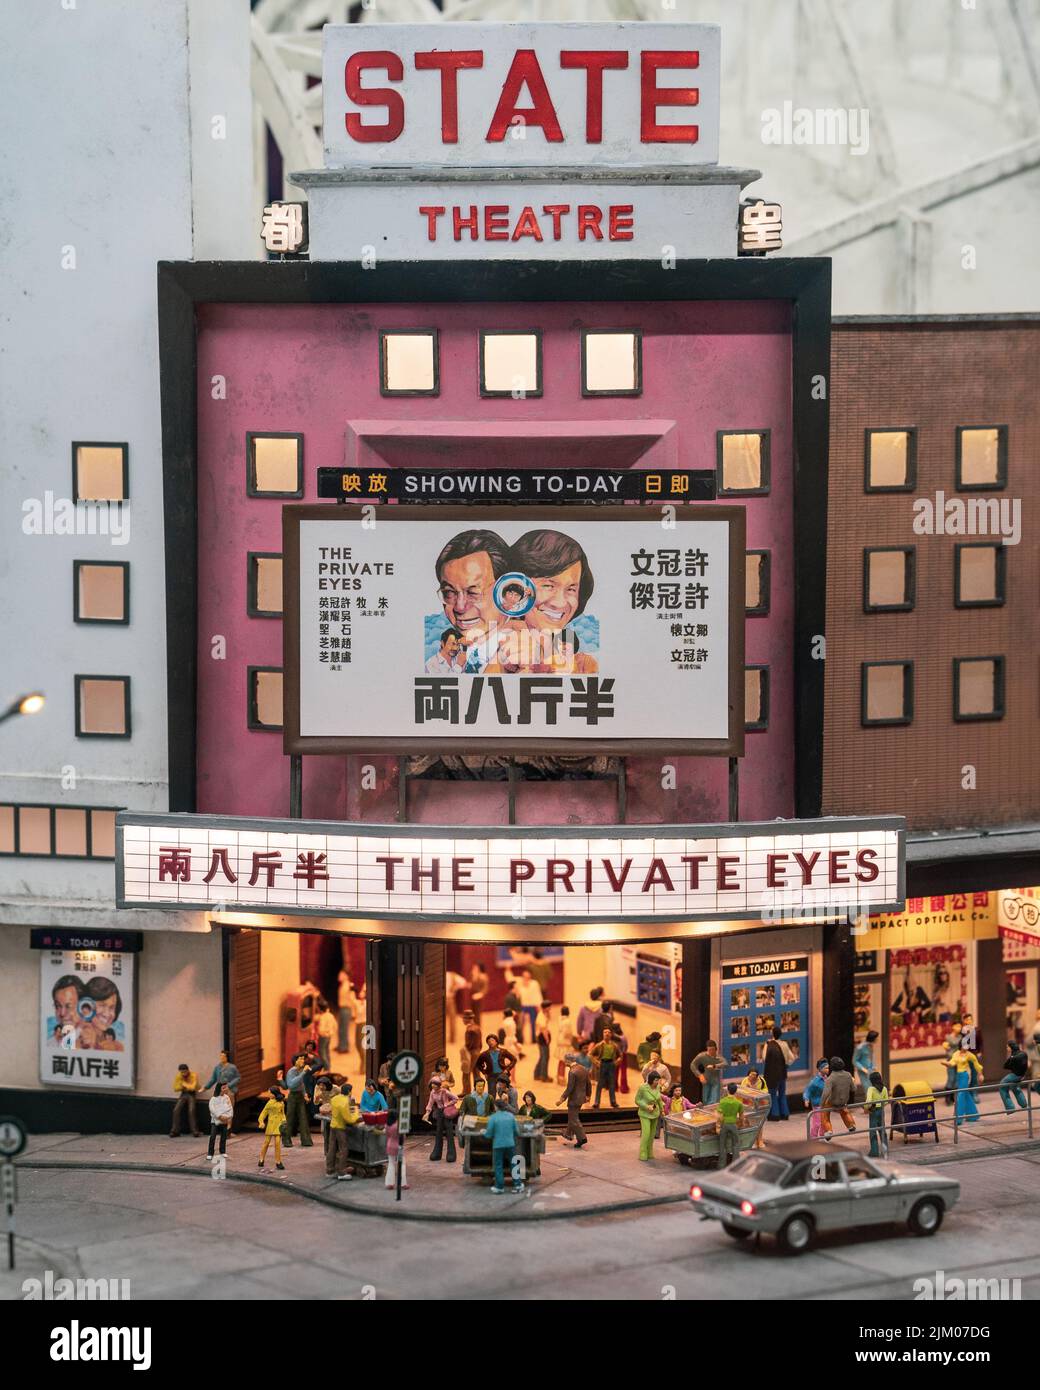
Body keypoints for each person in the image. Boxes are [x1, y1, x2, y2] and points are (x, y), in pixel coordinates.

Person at [434, 529, 514, 674]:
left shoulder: (527, 649)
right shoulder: (453, 653)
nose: (460, 607)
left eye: (473, 593)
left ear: (506, 591)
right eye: (449, 593)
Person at [486, 1100, 524, 1195]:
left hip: (498, 1145)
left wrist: (484, 1132)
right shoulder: (511, 1117)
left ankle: (499, 1187)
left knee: (498, 1165)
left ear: (496, 1107)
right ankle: (518, 1185)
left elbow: (489, 1134)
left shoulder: (493, 1118)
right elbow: (517, 1132)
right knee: (514, 1164)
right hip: (510, 1144)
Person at [326, 1082, 359, 1180]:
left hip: (332, 1126)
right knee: (343, 1149)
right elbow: (349, 1119)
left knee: (331, 1148)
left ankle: (329, 1170)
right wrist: (356, 1112)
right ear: (349, 1092)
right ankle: (341, 1172)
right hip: (340, 1128)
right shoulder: (345, 1102)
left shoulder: (335, 1098)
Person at [424, 1075, 459, 1162]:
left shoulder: (444, 1091)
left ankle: (451, 1154)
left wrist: (447, 1104)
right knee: (438, 1132)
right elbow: (430, 1103)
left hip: (446, 1112)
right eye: (432, 1084)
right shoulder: (432, 1092)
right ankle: (437, 1153)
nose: (433, 1085)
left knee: (449, 1133)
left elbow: (456, 1098)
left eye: (435, 1084)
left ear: (439, 1084)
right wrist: (427, 1113)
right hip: (439, 1112)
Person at [282, 1053, 314, 1147]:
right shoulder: (291, 1071)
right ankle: (286, 1139)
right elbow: (291, 1085)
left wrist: (304, 1094)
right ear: (295, 1061)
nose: (302, 1061)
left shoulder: (300, 1071)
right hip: (292, 1096)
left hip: (300, 1096)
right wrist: (303, 1072)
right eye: (300, 1059)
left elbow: (301, 1084)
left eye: (303, 1059)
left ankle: (306, 1140)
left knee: (303, 1118)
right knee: (290, 1118)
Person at [821, 1056, 857, 1139]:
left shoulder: (830, 1078)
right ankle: (851, 1125)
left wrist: (821, 1104)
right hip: (843, 1101)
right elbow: (854, 1089)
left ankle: (829, 1131)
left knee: (824, 1113)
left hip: (833, 1101)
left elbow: (825, 1093)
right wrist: (853, 1081)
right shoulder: (848, 1075)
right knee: (844, 1111)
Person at [559, 1053, 590, 1148]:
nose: (564, 1062)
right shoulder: (583, 1068)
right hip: (581, 1098)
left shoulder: (572, 1072)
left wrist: (562, 1098)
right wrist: (588, 1095)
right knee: (572, 1117)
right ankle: (568, 1134)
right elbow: (588, 1083)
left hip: (574, 1099)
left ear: (568, 1061)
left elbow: (570, 1088)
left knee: (573, 1119)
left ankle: (582, 1137)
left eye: (565, 1060)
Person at [950, 1042, 983, 1122]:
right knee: (966, 1095)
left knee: (961, 1095)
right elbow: (952, 1062)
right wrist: (947, 1064)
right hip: (959, 1076)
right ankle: (973, 1115)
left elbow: (976, 1064)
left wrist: (980, 1074)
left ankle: (958, 1118)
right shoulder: (956, 1054)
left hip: (965, 1076)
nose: (967, 1047)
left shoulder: (969, 1055)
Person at [635, 1070, 663, 1161]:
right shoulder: (643, 1088)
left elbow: (659, 1100)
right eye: (655, 1080)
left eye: (658, 1080)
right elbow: (637, 1100)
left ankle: (650, 1151)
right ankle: (643, 1152)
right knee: (646, 1134)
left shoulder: (658, 1087)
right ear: (651, 1080)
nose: (657, 1082)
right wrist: (646, 1106)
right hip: (645, 1114)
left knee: (652, 1135)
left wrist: (662, 1110)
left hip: (655, 1113)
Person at [257, 1085, 287, 1171]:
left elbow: (283, 1113)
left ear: (274, 1094)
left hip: (278, 1124)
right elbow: (263, 1114)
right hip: (271, 1124)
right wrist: (261, 1122)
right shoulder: (269, 1103)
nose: (269, 1094)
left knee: (277, 1143)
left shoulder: (281, 1103)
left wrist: (284, 1120)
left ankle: (278, 1161)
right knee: (266, 1142)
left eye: (270, 1092)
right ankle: (261, 1158)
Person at [716, 1082, 745, 1170]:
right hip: (733, 1125)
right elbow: (741, 1117)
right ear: (736, 1091)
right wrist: (741, 1124)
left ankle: (721, 1165)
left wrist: (718, 1126)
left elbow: (720, 1116)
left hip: (724, 1125)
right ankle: (735, 1165)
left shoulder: (722, 1101)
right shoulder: (738, 1103)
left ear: (727, 1090)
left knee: (722, 1145)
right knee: (736, 1144)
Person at [763, 1026, 789, 1121]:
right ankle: (785, 1113)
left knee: (772, 1094)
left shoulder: (768, 1044)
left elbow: (764, 1058)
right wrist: (786, 1065)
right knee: (782, 1093)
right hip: (783, 1072)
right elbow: (791, 1057)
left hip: (773, 1073)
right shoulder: (785, 1044)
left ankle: (775, 1114)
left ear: (772, 1034)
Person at [591, 1028, 621, 1109]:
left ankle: (613, 1101)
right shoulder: (599, 1045)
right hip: (602, 1064)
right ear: (603, 1034)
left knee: (612, 1084)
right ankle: (596, 1102)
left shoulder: (614, 1046)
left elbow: (620, 1055)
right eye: (605, 1032)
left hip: (611, 1064)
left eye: (609, 1032)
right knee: (600, 1084)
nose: (607, 1034)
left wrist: (617, 1061)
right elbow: (591, 1054)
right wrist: (596, 1062)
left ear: (611, 1034)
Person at [169, 1063, 202, 1138]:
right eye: (182, 1072)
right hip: (183, 1093)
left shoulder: (193, 1075)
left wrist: (183, 1084)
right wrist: (185, 1086)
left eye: (185, 1072)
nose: (183, 1074)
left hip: (191, 1094)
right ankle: (175, 1130)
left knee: (191, 1110)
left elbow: (193, 1087)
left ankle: (194, 1131)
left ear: (188, 1070)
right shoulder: (178, 1076)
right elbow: (175, 1088)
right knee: (176, 1110)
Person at [802, 1058, 830, 1139]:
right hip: (817, 1105)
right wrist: (806, 1099)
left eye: (828, 1068)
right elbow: (807, 1090)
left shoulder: (826, 1079)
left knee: (824, 1123)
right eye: (826, 1068)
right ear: (820, 1069)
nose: (828, 1070)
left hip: (825, 1104)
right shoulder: (815, 1081)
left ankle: (821, 1137)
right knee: (817, 1123)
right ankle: (813, 1138)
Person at [999, 1041, 1030, 1113]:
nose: (1007, 1048)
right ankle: (1024, 1104)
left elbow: (1005, 1066)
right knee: (1014, 1087)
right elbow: (1025, 1066)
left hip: (1015, 1075)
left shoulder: (1014, 1056)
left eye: (1007, 1047)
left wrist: (1010, 1058)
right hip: (1021, 1075)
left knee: (1002, 1086)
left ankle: (1010, 1107)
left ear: (1011, 1047)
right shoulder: (1023, 1053)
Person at [865, 1070, 889, 1158]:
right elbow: (886, 1101)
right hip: (881, 1110)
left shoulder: (871, 1089)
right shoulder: (884, 1088)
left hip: (874, 1111)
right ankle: (885, 1149)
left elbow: (868, 1101)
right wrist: (881, 1105)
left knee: (873, 1131)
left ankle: (874, 1151)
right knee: (882, 1130)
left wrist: (866, 1108)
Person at [691, 1039, 723, 1105]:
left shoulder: (718, 1057)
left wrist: (715, 1066)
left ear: (716, 1049)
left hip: (715, 1081)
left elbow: (725, 1064)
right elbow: (693, 1065)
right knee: (705, 1100)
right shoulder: (702, 1056)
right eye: (709, 1050)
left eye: (712, 1050)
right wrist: (699, 1075)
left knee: (714, 1100)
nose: (711, 1051)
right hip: (706, 1079)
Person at [207, 1081, 234, 1160]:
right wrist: (219, 1115)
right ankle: (210, 1153)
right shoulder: (214, 1099)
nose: (226, 1089)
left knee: (223, 1137)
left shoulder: (227, 1098)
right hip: (215, 1122)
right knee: (213, 1137)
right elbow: (212, 1110)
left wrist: (227, 1116)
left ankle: (222, 1151)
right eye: (224, 1088)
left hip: (225, 1121)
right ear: (219, 1089)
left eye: (226, 1087)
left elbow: (230, 1108)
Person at [516, 969, 543, 1044]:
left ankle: (534, 1038)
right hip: (523, 1006)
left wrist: (539, 1005)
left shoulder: (534, 984)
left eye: (527, 976)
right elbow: (510, 978)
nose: (526, 978)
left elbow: (538, 994)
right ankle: (520, 1038)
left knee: (533, 1023)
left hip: (533, 1005)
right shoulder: (520, 983)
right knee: (521, 1023)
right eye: (524, 976)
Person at [313, 1073, 337, 1157]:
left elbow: (344, 1096)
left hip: (334, 1111)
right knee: (323, 1131)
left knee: (333, 1131)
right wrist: (317, 1097)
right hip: (324, 1110)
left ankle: (332, 1150)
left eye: (323, 1085)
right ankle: (327, 1151)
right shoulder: (317, 1088)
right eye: (320, 1085)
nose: (321, 1087)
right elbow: (315, 1103)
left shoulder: (335, 1088)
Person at [384, 1109, 408, 1190]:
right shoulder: (398, 1126)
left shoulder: (387, 1125)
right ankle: (403, 1183)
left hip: (389, 1145)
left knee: (391, 1164)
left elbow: (386, 1135)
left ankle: (389, 1183)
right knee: (402, 1164)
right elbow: (403, 1137)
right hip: (398, 1146)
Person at [460, 1010, 482, 1095]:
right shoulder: (477, 1027)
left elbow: (469, 1044)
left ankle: (466, 1091)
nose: (462, 1020)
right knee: (476, 1072)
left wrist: (465, 1050)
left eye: (463, 1018)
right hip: (477, 1051)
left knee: (466, 1072)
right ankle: (479, 1090)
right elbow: (480, 1043)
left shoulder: (470, 1030)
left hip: (471, 1052)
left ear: (467, 1019)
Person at [336, 970, 357, 1057]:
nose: (339, 976)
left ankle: (344, 1047)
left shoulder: (349, 986)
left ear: (346, 976)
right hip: (342, 1008)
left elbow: (353, 1000)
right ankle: (341, 1045)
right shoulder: (342, 985)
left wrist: (354, 1012)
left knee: (344, 1029)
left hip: (346, 1009)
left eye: (341, 974)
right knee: (340, 1028)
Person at [853, 1030, 879, 1097]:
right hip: (863, 1071)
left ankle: (872, 1104)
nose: (877, 1039)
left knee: (873, 1088)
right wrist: (862, 1068)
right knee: (867, 1088)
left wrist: (874, 1066)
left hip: (871, 1070)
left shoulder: (871, 1046)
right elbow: (854, 1061)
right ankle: (869, 1105)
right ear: (873, 1038)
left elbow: (871, 1057)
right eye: (876, 1038)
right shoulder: (860, 1048)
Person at [555, 1006, 574, 1085]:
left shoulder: (560, 1020)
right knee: (563, 1061)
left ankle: (559, 1076)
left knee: (560, 1061)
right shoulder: (568, 1022)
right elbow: (568, 1033)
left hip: (560, 1041)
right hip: (565, 1042)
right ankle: (562, 1077)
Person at [533, 1001, 552, 1082]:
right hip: (542, 1038)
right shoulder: (541, 1017)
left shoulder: (543, 1014)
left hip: (541, 1036)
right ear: (546, 1007)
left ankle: (537, 1074)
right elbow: (543, 1029)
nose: (550, 1008)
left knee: (542, 1056)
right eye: (549, 1007)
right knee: (545, 1057)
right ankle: (544, 1076)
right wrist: (547, 1039)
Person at [315, 998, 336, 1070]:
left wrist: (319, 1031)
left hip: (323, 1036)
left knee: (321, 1052)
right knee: (327, 1051)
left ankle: (327, 1067)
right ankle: (328, 1065)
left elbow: (321, 1029)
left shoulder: (323, 1017)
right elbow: (335, 1025)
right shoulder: (330, 1015)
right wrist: (330, 1031)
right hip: (329, 1036)